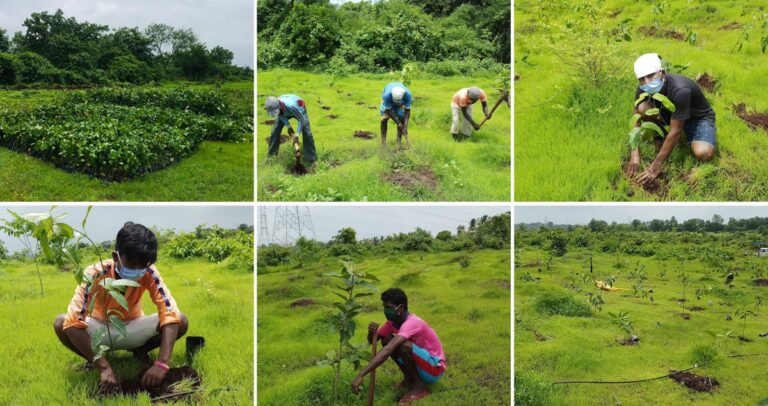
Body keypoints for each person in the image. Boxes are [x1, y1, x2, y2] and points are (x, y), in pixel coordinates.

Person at [53, 222, 189, 393]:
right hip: (99, 329)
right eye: (132, 264)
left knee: (180, 320)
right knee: (61, 322)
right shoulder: (94, 273)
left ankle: (140, 351)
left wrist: (162, 363)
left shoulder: (149, 271)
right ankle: (96, 359)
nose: (138, 271)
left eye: (143, 265)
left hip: (133, 327)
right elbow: (73, 322)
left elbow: (169, 311)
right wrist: (104, 368)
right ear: (116, 256)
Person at [627, 53, 716, 185]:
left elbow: (675, 131)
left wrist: (655, 166)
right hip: (674, 114)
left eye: (651, 75)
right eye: (641, 78)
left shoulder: (680, 90)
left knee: (703, 153)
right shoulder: (643, 88)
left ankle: (679, 138)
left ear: (663, 73)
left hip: (697, 118)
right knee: (642, 108)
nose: (647, 82)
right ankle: (663, 136)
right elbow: (636, 118)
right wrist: (634, 155)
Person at [351, 288, 445, 404]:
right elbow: (373, 341)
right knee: (387, 339)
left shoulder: (412, 323)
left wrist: (361, 374)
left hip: (434, 369)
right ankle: (409, 378)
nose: (386, 311)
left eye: (389, 308)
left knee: (403, 345)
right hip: (422, 364)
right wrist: (371, 332)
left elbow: (389, 349)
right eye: (384, 307)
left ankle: (419, 387)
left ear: (400, 308)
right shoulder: (392, 323)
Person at [265, 94, 317, 166]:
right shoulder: (275, 106)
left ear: (279, 106)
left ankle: (311, 160)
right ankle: (271, 158)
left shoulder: (292, 106)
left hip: (299, 107)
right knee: (274, 131)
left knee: (307, 132)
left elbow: (301, 120)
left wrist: (297, 135)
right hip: (285, 109)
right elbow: (280, 115)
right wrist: (289, 126)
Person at [380, 82, 413, 148]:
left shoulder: (408, 95)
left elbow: (407, 111)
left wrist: (405, 127)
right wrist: (399, 124)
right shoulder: (386, 96)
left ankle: (398, 142)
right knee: (384, 119)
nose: (396, 102)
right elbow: (388, 110)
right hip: (388, 104)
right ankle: (383, 143)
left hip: (401, 105)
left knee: (402, 118)